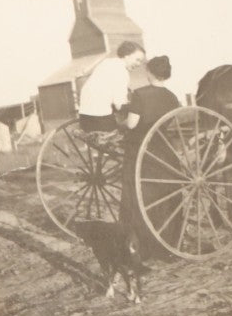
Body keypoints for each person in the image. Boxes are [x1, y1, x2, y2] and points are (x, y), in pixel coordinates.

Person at [122, 54, 183, 244]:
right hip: (165, 153)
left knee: (138, 196)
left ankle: (142, 243)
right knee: (166, 196)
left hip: (142, 153)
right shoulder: (173, 98)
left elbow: (132, 124)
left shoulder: (140, 94)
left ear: (150, 73)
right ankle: (169, 239)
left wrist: (120, 123)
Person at [78, 40, 145, 133]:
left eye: (141, 62)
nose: (139, 64)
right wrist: (137, 107)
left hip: (84, 117)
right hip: (100, 118)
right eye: (137, 60)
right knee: (128, 132)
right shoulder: (122, 72)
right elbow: (119, 105)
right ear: (127, 55)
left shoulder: (107, 62)